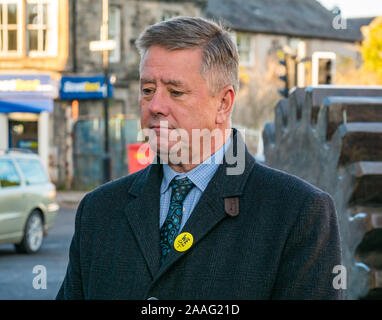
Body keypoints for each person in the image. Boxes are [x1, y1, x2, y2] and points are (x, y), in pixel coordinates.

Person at [56, 17, 343, 300]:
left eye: (175, 91)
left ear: (224, 103)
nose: (155, 105)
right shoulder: (98, 210)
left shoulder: (298, 212)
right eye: (147, 90)